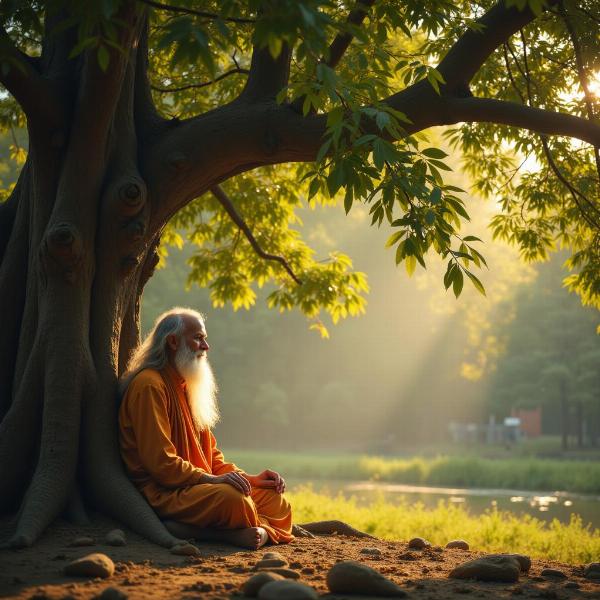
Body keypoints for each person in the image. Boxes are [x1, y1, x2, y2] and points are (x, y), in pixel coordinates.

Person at [118, 307, 293, 549]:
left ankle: (256, 530)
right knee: (235, 501)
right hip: (165, 492)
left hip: (201, 486)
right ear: (173, 341)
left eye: (205, 339)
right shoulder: (150, 385)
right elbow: (161, 464)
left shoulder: (187, 386)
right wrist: (214, 480)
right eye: (199, 338)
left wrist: (250, 479)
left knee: (276, 501)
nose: (206, 347)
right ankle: (228, 536)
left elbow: (211, 457)